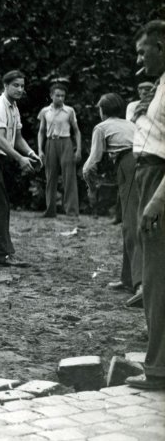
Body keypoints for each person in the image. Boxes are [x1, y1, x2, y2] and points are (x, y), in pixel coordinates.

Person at [125, 20, 165, 390]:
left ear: (161, 47)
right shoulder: (160, 85)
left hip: (158, 181)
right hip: (148, 176)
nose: (139, 60)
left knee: (156, 277)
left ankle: (158, 370)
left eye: (143, 51)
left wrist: (156, 199)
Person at [82, 93, 140, 299]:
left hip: (130, 165)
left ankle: (140, 284)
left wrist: (90, 187)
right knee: (130, 221)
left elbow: (91, 164)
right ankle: (129, 279)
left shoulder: (102, 127)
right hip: (144, 165)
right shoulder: (131, 124)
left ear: (103, 111)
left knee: (132, 223)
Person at [0, 70, 41, 266]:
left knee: (1, 204)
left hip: (0, 158)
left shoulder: (13, 107)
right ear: (5, 86)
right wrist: (19, 159)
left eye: (22, 86)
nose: (20, 89)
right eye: (16, 85)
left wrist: (31, 154)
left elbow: (17, 138)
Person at [37, 83, 81, 217]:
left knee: (69, 177)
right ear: (51, 96)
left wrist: (78, 149)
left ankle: (72, 212)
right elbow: (41, 131)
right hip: (50, 143)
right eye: (57, 95)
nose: (60, 98)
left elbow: (77, 131)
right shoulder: (45, 111)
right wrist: (40, 149)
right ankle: (50, 210)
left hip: (66, 142)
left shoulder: (69, 111)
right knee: (50, 176)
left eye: (63, 96)